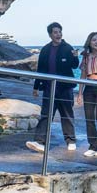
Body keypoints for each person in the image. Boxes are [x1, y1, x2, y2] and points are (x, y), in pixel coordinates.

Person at [26, 22, 79, 153]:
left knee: (67, 115)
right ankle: (40, 142)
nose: (58, 34)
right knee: (46, 115)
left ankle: (71, 140)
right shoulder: (45, 49)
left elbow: (74, 66)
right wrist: (36, 87)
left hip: (65, 88)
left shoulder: (68, 48)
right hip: (49, 88)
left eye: (60, 32)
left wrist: (75, 57)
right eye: (55, 32)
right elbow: (40, 70)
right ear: (50, 34)